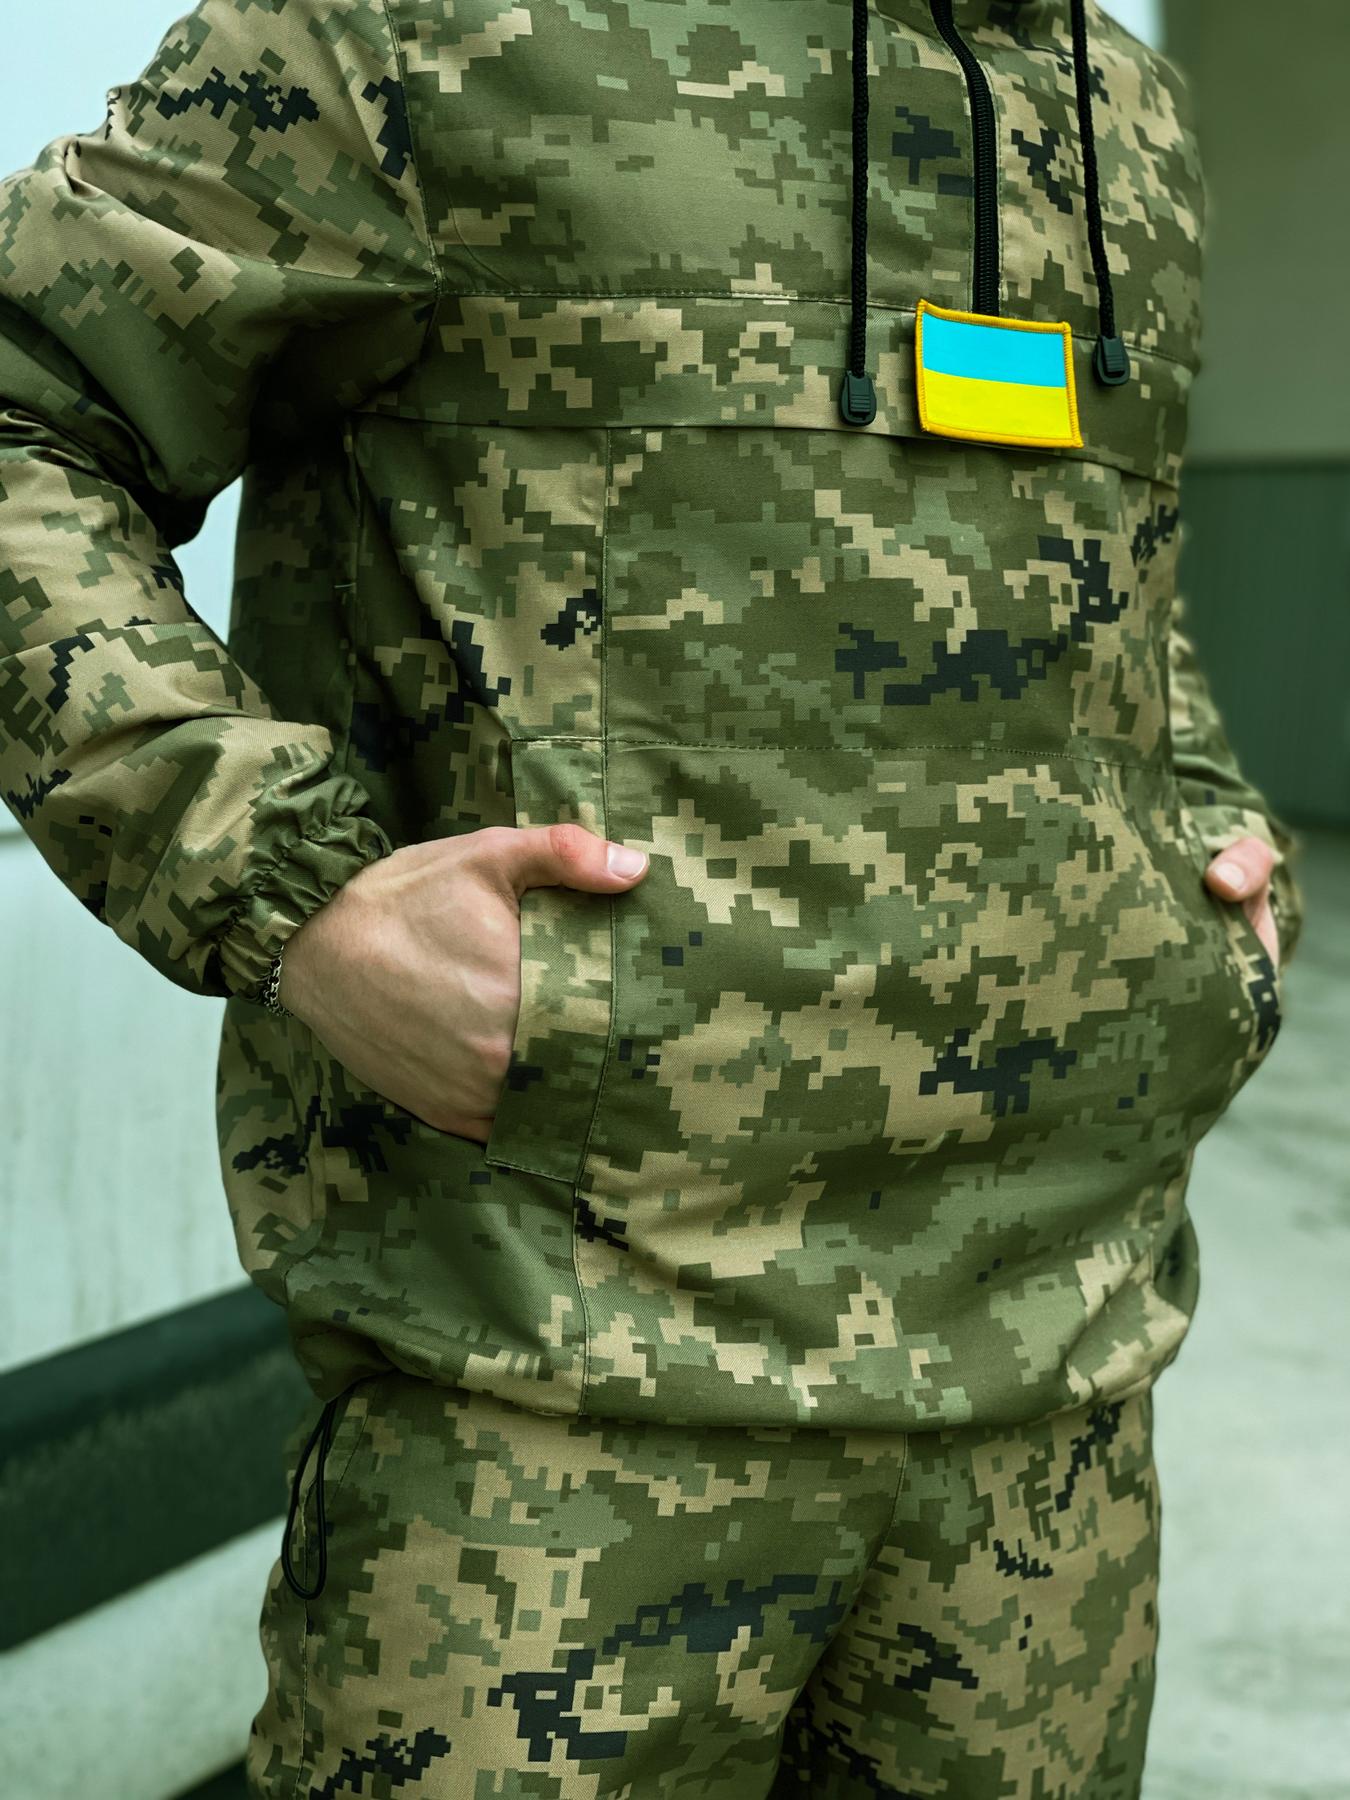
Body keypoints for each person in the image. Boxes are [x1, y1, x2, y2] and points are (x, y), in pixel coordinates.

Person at [0, 0, 1301, 1793]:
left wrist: (1201, 833)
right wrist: (284, 887)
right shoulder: (411, 31)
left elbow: (1107, 572)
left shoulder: (1116, 105)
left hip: (1055, 1409)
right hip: (556, 1413)